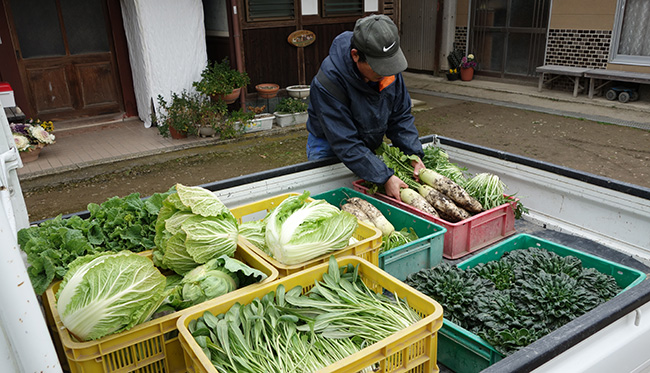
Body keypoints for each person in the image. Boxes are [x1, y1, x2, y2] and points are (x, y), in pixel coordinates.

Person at [306, 14, 425, 201]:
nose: (386, 72)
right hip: (330, 144)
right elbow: (345, 142)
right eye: (380, 67)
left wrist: (412, 153)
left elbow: (400, 117)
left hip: (368, 144)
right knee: (332, 201)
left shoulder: (388, 72)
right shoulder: (328, 82)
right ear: (355, 55)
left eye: (390, 65)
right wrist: (384, 176)